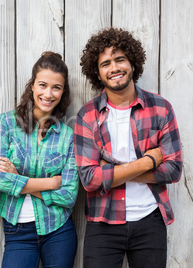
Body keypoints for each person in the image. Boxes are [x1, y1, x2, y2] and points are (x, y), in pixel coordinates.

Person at [74, 27, 183, 268]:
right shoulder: (87, 116)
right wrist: (148, 161)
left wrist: (111, 171)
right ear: (98, 73)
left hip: (150, 221)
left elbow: (173, 170)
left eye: (120, 59)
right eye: (106, 64)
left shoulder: (161, 108)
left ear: (132, 63)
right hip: (103, 223)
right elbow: (89, 179)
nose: (114, 68)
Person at [0, 51, 79, 268]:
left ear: (63, 92)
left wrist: (18, 179)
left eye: (56, 87)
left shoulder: (67, 136)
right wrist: (51, 183)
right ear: (32, 85)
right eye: (43, 85)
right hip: (18, 231)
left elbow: (68, 196)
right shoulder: (6, 124)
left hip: (59, 229)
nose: (48, 94)